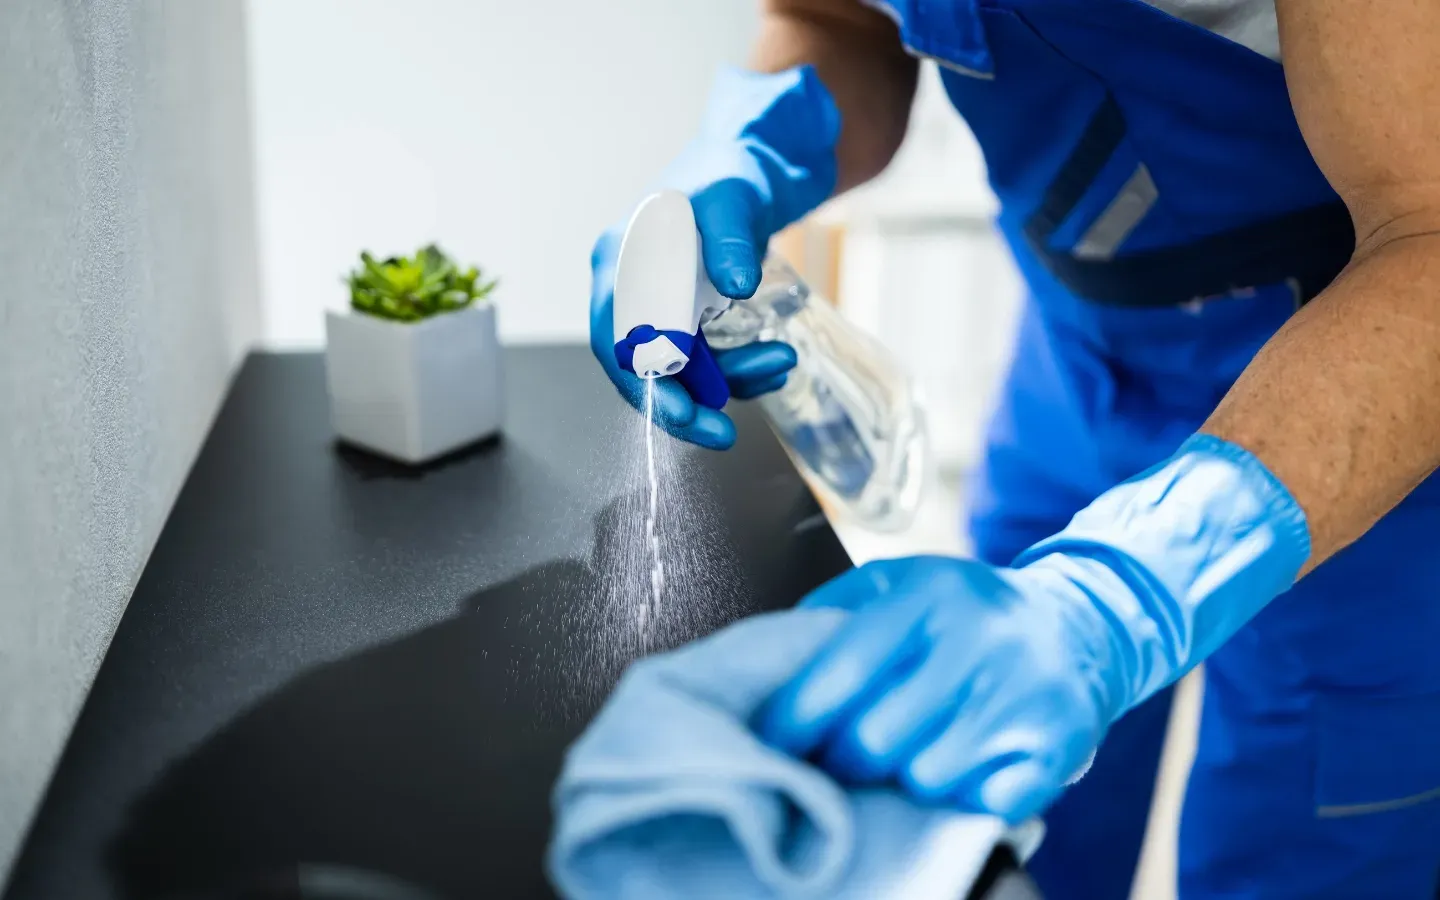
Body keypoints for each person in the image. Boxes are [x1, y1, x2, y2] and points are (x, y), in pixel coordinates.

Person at [588, 1, 1440, 897]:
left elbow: (1429, 231)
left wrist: (1114, 600)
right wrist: (755, 150)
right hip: (1077, 364)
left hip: (1365, 400)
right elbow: (842, 19)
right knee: (994, 809)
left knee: (1306, 845)